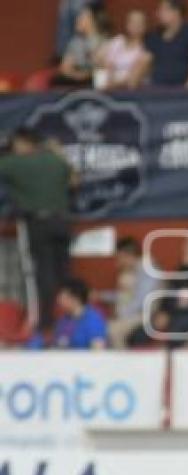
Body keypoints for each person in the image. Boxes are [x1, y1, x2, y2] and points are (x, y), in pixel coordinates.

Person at [0, 128, 75, 332]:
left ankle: (46, 323)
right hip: (62, 221)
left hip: (38, 224)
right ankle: (70, 319)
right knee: (64, 271)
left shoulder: (15, 163)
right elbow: (74, 181)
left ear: (24, 143)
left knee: (44, 274)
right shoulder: (56, 160)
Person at [127, 229, 188, 347]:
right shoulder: (182, 268)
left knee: (175, 331)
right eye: (186, 244)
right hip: (174, 314)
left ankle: (172, 361)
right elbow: (169, 292)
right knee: (138, 334)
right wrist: (163, 312)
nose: (186, 248)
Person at [98, 237, 161, 348]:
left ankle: (122, 363)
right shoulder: (132, 272)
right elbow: (124, 296)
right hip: (134, 315)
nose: (117, 263)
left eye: (119, 258)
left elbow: (142, 301)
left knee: (110, 330)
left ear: (126, 255)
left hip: (145, 316)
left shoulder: (147, 269)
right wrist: (102, 296)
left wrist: (122, 315)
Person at [139, 0, 188, 88]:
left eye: (163, 10)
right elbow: (143, 62)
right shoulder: (154, 36)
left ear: (176, 12)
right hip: (157, 90)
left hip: (187, 92)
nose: (158, 14)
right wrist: (132, 85)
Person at [28, 279, 107, 350]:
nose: (58, 300)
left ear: (75, 298)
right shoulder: (63, 320)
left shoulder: (93, 320)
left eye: (62, 297)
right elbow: (55, 343)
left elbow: (98, 350)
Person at [52, 4, 108, 87]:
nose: (77, 20)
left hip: (95, 83)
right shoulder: (75, 43)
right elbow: (65, 68)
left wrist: (87, 74)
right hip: (74, 83)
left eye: (82, 17)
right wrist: (78, 76)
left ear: (92, 20)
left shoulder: (105, 42)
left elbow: (104, 67)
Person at [95, 10, 148, 90]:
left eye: (139, 22)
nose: (136, 25)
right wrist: (107, 69)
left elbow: (133, 81)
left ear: (145, 26)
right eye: (132, 22)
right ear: (127, 24)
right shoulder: (118, 41)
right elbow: (98, 58)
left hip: (128, 91)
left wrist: (113, 83)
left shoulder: (146, 49)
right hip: (106, 87)